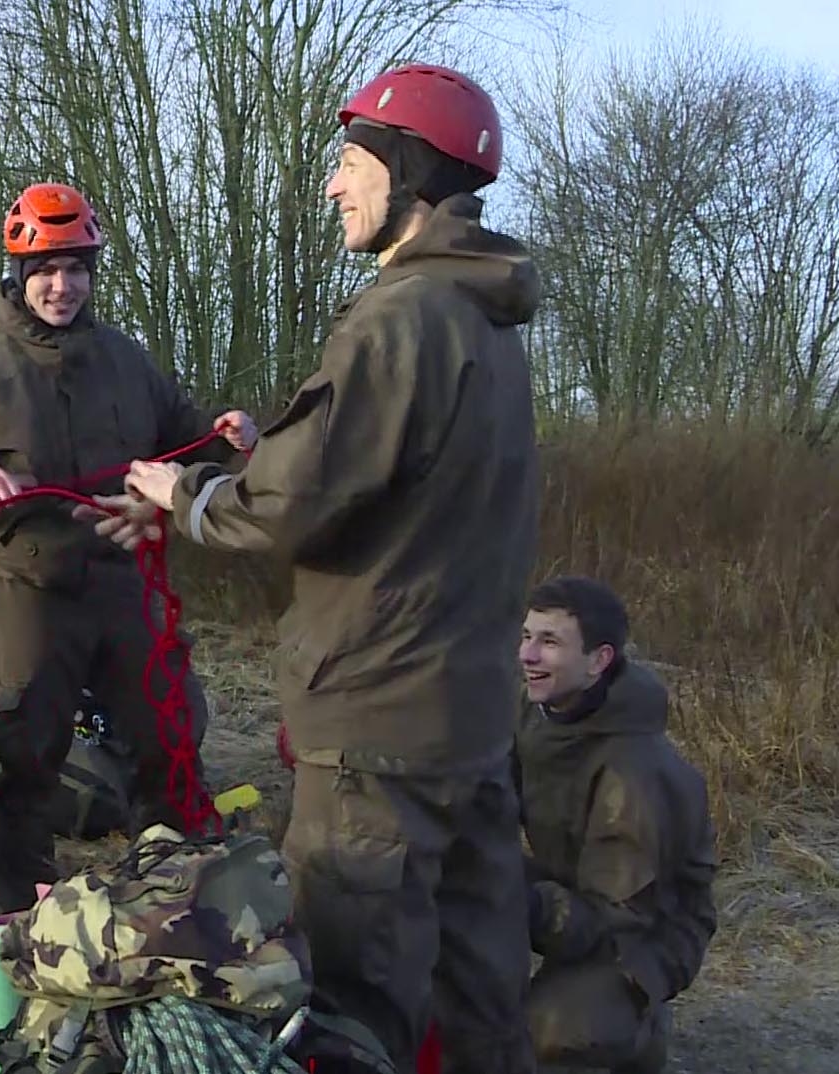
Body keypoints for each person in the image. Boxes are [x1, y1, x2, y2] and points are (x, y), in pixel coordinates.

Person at [86, 65, 543, 1074]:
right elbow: (386, 494)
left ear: (406, 174)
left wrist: (181, 495)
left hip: (375, 729)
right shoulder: (486, 329)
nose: (333, 188)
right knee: (477, 993)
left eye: (347, 165)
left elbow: (286, 506)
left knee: (349, 994)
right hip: (464, 718)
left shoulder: (398, 318)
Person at [0, 180, 255, 913]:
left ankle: (176, 894)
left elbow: (186, 439)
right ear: (21, 276)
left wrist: (229, 437)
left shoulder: (125, 358)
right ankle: (23, 909)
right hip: (28, 578)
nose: (63, 285)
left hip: (125, 574)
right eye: (47, 270)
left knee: (168, 731)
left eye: (76, 268)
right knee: (24, 745)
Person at [515, 577, 718, 1074]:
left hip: (644, 930)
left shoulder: (633, 774)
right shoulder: (539, 711)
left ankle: (637, 1029)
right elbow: (484, 798)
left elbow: (616, 919)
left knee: (550, 1032)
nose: (528, 655)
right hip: (575, 888)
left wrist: (520, 904)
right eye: (526, 636)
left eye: (550, 642)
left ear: (599, 661)